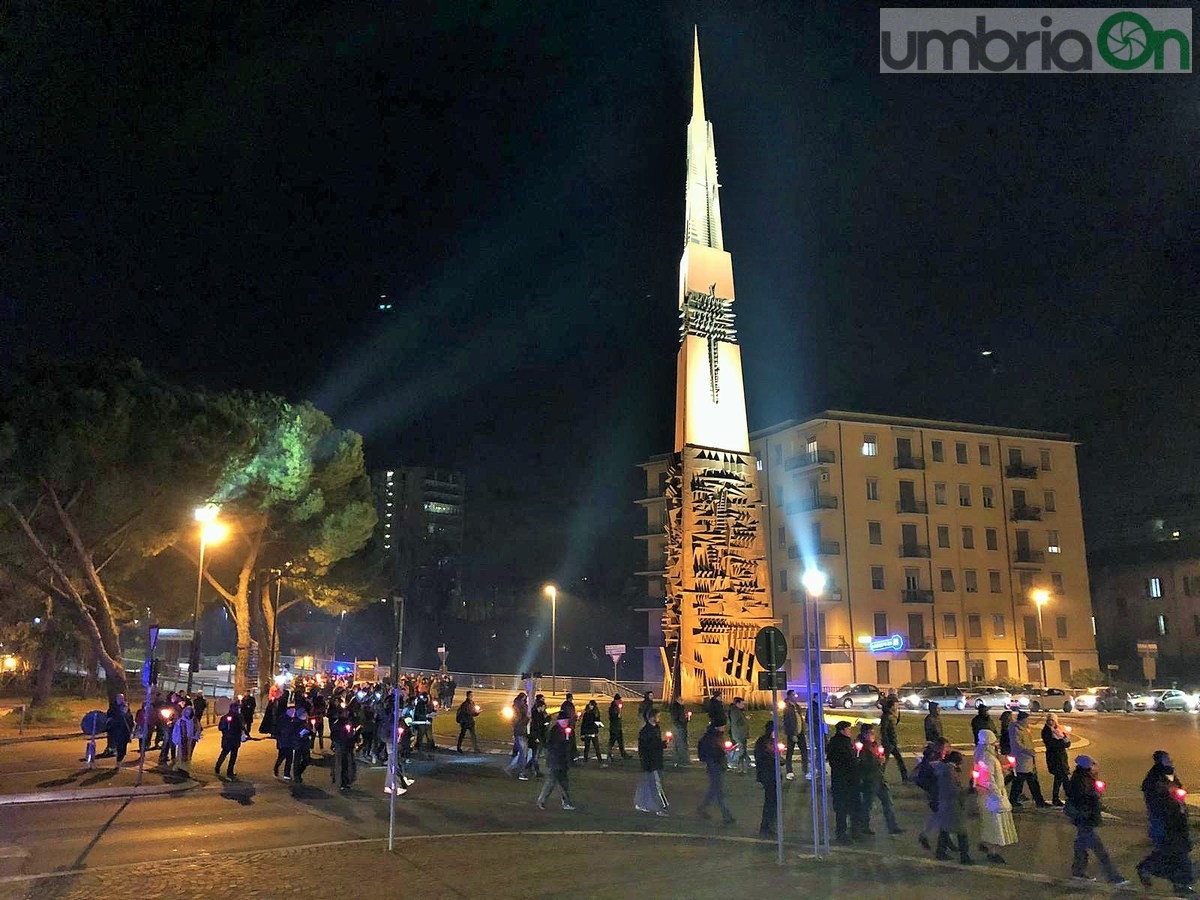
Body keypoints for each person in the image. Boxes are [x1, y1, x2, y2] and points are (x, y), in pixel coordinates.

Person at [1065, 755, 1129, 885]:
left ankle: (1078, 872)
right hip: (1084, 819)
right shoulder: (1081, 781)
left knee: (1081, 847)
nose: (1096, 768)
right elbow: (1085, 799)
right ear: (1087, 767)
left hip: (1083, 820)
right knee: (1100, 851)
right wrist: (1096, 793)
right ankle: (1114, 877)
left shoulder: (1084, 779)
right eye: (1093, 765)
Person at [1136, 750, 1194, 894]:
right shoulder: (1155, 779)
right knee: (1177, 853)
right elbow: (1157, 801)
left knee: (1173, 853)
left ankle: (1149, 869)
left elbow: (1177, 790)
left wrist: (1179, 798)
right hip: (1165, 823)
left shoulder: (1169, 775)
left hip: (1176, 820)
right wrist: (1171, 797)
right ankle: (1181, 884)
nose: (1170, 761)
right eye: (1167, 759)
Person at [974, 730, 1017, 863]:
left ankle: (986, 844)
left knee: (991, 823)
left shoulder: (985, 756)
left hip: (989, 795)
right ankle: (992, 852)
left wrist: (1005, 768)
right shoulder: (987, 757)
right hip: (991, 796)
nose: (996, 745)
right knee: (995, 825)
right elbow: (988, 779)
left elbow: (991, 773)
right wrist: (998, 795)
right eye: (994, 742)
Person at [855, 723, 902, 836]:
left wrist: (881, 759)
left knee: (887, 802)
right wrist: (878, 761)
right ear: (864, 734)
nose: (873, 735)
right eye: (870, 733)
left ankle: (892, 826)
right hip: (870, 780)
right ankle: (863, 827)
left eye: (873, 732)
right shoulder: (861, 747)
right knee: (868, 804)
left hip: (879, 778)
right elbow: (864, 764)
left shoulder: (874, 745)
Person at [933, 750, 973, 864]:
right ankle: (964, 857)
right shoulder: (950, 771)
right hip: (953, 805)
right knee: (962, 831)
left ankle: (940, 851)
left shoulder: (946, 769)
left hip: (946, 804)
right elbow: (954, 790)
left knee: (945, 829)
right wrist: (968, 790)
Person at [915, 737, 952, 852]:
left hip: (936, 790)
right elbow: (932, 773)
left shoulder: (935, 757)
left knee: (938, 816)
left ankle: (928, 836)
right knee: (943, 816)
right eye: (946, 747)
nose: (948, 750)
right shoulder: (933, 758)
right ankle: (939, 841)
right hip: (935, 791)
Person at [827, 720, 860, 844]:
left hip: (840, 779)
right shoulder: (842, 744)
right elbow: (848, 761)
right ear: (842, 730)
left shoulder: (836, 742)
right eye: (848, 729)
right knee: (844, 807)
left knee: (844, 807)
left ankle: (849, 831)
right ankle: (843, 833)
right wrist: (856, 761)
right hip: (845, 780)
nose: (850, 731)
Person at [1008, 711, 1049, 808]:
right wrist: (1028, 751)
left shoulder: (1024, 729)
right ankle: (1037, 801)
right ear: (1022, 719)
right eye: (1026, 719)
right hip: (1022, 759)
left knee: (1027, 781)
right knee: (1022, 781)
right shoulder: (1016, 729)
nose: (1027, 721)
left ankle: (1038, 801)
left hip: (1027, 759)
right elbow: (1017, 745)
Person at [696, 723, 735, 825]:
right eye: (722, 725)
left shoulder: (714, 736)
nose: (724, 728)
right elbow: (714, 753)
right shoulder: (712, 738)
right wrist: (724, 752)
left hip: (716, 766)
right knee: (719, 792)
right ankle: (727, 816)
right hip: (715, 766)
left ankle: (702, 808)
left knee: (714, 790)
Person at [635, 708, 669, 816]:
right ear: (652, 717)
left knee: (647, 784)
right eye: (658, 716)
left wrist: (663, 744)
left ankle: (641, 804)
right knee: (656, 786)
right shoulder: (645, 732)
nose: (659, 718)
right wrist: (662, 744)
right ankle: (661, 807)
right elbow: (647, 748)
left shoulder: (655, 729)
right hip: (651, 763)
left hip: (656, 761)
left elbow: (655, 745)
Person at [536, 717, 575, 811]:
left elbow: (570, 746)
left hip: (562, 762)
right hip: (555, 762)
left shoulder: (567, 730)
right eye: (564, 721)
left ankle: (564, 802)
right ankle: (543, 801)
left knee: (562, 783)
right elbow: (553, 746)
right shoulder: (555, 731)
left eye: (567, 721)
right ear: (559, 721)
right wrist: (565, 741)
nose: (566, 722)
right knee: (552, 783)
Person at [754, 719, 779, 837]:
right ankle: (766, 827)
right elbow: (763, 758)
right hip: (768, 775)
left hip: (771, 775)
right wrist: (775, 758)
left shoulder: (770, 741)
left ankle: (769, 825)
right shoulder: (764, 742)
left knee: (773, 802)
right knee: (770, 802)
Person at [1041, 713, 1072, 806]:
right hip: (1054, 758)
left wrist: (1065, 741)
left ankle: (1064, 797)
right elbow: (1051, 744)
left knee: (1061, 778)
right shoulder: (1046, 731)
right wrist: (1063, 743)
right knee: (1062, 777)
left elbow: (1066, 741)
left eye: (1052, 720)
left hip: (1061, 757)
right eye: (1049, 720)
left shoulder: (1058, 730)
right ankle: (1066, 797)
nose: (1050, 722)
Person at [329, 704, 357, 790]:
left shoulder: (348, 722)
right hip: (341, 747)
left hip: (347, 746)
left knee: (347, 765)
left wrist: (352, 736)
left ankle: (345, 781)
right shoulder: (338, 723)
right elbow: (334, 735)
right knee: (341, 765)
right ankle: (341, 782)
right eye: (345, 712)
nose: (347, 713)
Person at [878, 693, 905, 783]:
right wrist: (886, 742)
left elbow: (896, 722)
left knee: (898, 760)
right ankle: (879, 777)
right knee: (884, 762)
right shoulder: (887, 717)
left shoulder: (891, 715)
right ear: (891, 706)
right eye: (895, 705)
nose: (896, 707)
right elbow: (884, 730)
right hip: (889, 743)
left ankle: (905, 777)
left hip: (892, 742)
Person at [782, 690, 807, 781]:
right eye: (793, 695)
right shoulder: (788, 707)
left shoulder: (796, 706)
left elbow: (799, 718)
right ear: (789, 696)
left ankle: (805, 770)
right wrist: (792, 734)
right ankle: (789, 771)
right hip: (792, 733)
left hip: (800, 733)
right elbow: (788, 722)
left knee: (804, 751)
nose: (795, 696)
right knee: (790, 752)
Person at [215, 702, 244, 779]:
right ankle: (225, 770)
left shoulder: (234, 717)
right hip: (232, 739)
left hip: (230, 739)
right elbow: (242, 727)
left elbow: (220, 728)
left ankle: (221, 768)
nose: (237, 710)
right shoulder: (234, 717)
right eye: (236, 708)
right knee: (229, 755)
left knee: (227, 754)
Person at [106, 695, 134, 767]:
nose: (120, 700)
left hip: (125, 731)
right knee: (119, 747)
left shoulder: (126, 707)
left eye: (121, 698)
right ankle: (118, 762)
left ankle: (119, 760)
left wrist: (131, 728)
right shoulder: (113, 708)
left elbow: (130, 718)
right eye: (119, 698)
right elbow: (109, 718)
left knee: (123, 749)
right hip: (116, 731)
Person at [507, 691, 530, 778]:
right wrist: (527, 719)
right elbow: (517, 722)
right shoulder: (518, 708)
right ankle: (521, 772)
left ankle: (513, 769)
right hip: (520, 732)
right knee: (523, 753)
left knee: (523, 752)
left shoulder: (518, 707)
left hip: (521, 732)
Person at [526, 694, 548, 779]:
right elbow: (536, 727)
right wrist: (536, 737)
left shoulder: (537, 714)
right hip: (535, 737)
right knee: (535, 755)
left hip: (536, 737)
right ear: (540, 707)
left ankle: (528, 767)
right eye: (543, 707)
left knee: (535, 755)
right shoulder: (537, 716)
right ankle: (536, 771)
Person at [727, 697, 750, 774]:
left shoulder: (738, 711)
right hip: (739, 734)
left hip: (741, 734)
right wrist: (744, 722)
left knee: (742, 751)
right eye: (742, 703)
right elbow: (736, 723)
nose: (743, 705)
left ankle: (742, 767)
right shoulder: (735, 711)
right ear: (737, 703)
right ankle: (732, 762)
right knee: (741, 750)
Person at [172, 706, 197, 775]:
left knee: (188, 755)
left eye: (189, 712)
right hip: (182, 740)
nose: (187, 713)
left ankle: (186, 768)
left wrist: (196, 736)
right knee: (181, 755)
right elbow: (176, 731)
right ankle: (179, 767)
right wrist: (176, 740)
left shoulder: (194, 721)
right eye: (186, 712)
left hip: (190, 740)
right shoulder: (180, 721)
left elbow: (197, 728)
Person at [606, 694, 631, 765]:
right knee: (612, 742)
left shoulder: (616, 707)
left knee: (620, 742)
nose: (621, 701)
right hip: (614, 728)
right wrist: (618, 715)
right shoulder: (613, 707)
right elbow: (613, 717)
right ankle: (609, 755)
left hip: (617, 727)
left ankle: (623, 754)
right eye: (619, 700)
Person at [580, 699, 603, 763]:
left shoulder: (594, 713)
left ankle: (598, 760)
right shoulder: (589, 713)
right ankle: (587, 759)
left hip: (592, 732)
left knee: (594, 747)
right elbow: (583, 724)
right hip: (590, 732)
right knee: (590, 747)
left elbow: (597, 721)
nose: (591, 706)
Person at [669, 697, 689, 767]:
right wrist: (687, 718)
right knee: (681, 743)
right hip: (680, 727)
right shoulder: (679, 708)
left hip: (675, 726)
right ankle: (683, 760)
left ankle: (676, 759)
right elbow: (682, 718)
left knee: (676, 743)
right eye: (682, 700)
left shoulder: (673, 708)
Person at [560, 693, 579, 762]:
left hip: (566, 725)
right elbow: (571, 715)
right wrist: (574, 719)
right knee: (571, 740)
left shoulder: (563, 705)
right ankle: (571, 754)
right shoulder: (569, 705)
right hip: (569, 725)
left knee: (567, 740)